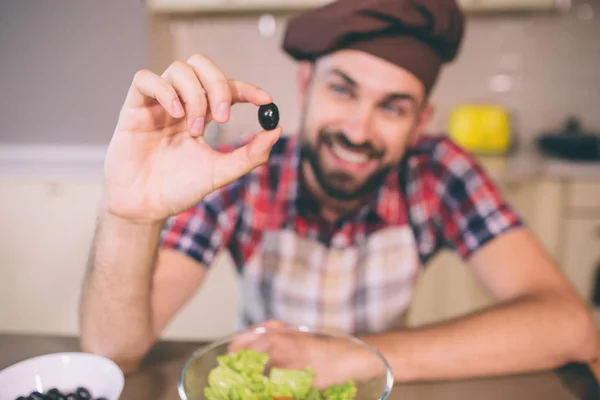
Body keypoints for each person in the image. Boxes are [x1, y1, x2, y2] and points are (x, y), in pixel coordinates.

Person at [79, 0, 597, 384]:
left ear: (420, 122)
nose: (357, 129)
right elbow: (112, 353)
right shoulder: (241, 169)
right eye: (342, 89)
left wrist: (350, 356)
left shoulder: (440, 172)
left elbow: (569, 326)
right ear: (306, 85)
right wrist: (130, 215)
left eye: (392, 106)